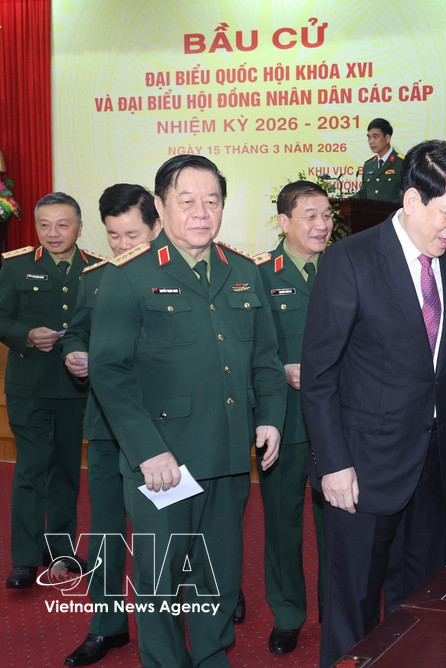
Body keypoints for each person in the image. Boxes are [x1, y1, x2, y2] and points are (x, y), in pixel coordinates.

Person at [88, 155, 287, 667]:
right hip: (164, 463)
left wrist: (269, 417)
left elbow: (265, 360)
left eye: (212, 201)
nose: (202, 212)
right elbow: (110, 373)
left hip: (226, 454)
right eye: (187, 201)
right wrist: (148, 451)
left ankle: (212, 657)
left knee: (217, 573)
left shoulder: (243, 271)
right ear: (160, 207)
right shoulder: (128, 277)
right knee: (160, 580)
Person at [301, 139, 446, 667]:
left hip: (431, 467)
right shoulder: (350, 260)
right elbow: (320, 376)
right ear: (411, 201)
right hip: (361, 468)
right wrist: (333, 464)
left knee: (420, 602)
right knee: (353, 606)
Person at [60, 184, 161, 665]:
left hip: (163, 430)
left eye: (133, 234)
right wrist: (74, 351)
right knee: (105, 529)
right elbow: (78, 329)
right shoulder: (96, 278)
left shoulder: (176, 275)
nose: (122, 246)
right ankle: (107, 625)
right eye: (114, 236)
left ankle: (180, 617)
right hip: (105, 426)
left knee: (167, 530)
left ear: (157, 225)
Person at [0, 192, 101, 589]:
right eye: (44, 225)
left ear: (79, 226)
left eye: (63, 224)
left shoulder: (96, 269)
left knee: (65, 471)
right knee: (30, 469)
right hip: (31, 386)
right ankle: (24, 558)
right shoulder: (15, 266)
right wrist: (25, 335)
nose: (53, 233)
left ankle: (59, 548)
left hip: (77, 388)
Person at [253, 180, 331, 654]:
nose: (322, 225)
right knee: (281, 524)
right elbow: (245, 347)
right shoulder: (257, 274)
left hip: (336, 422)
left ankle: (337, 608)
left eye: (326, 215)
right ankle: (287, 613)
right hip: (281, 421)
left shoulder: (345, 268)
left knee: (338, 525)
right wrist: (280, 370)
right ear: (284, 222)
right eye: (310, 215)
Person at [353, 117, 404, 202]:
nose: (371, 141)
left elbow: (405, 195)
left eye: (375, 137)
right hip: (371, 214)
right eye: (369, 137)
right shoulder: (368, 165)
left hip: (393, 214)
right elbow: (363, 194)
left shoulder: (402, 163)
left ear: (387, 138)